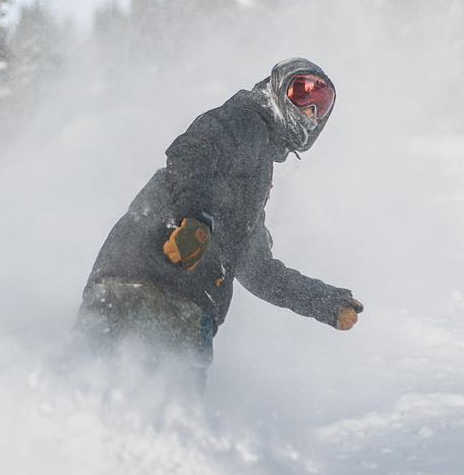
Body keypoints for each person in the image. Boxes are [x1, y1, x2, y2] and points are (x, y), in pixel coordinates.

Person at [77, 57, 363, 388]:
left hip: (174, 300)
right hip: (154, 285)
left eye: (321, 105)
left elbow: (259, 272)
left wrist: (324, 302)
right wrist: (196, 220)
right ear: (278, 89)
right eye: (302, 93)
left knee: (109, 403)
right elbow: (191, 152)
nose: (310, 110)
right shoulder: (244, 120)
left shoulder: (251, 189)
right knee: (157, 414)